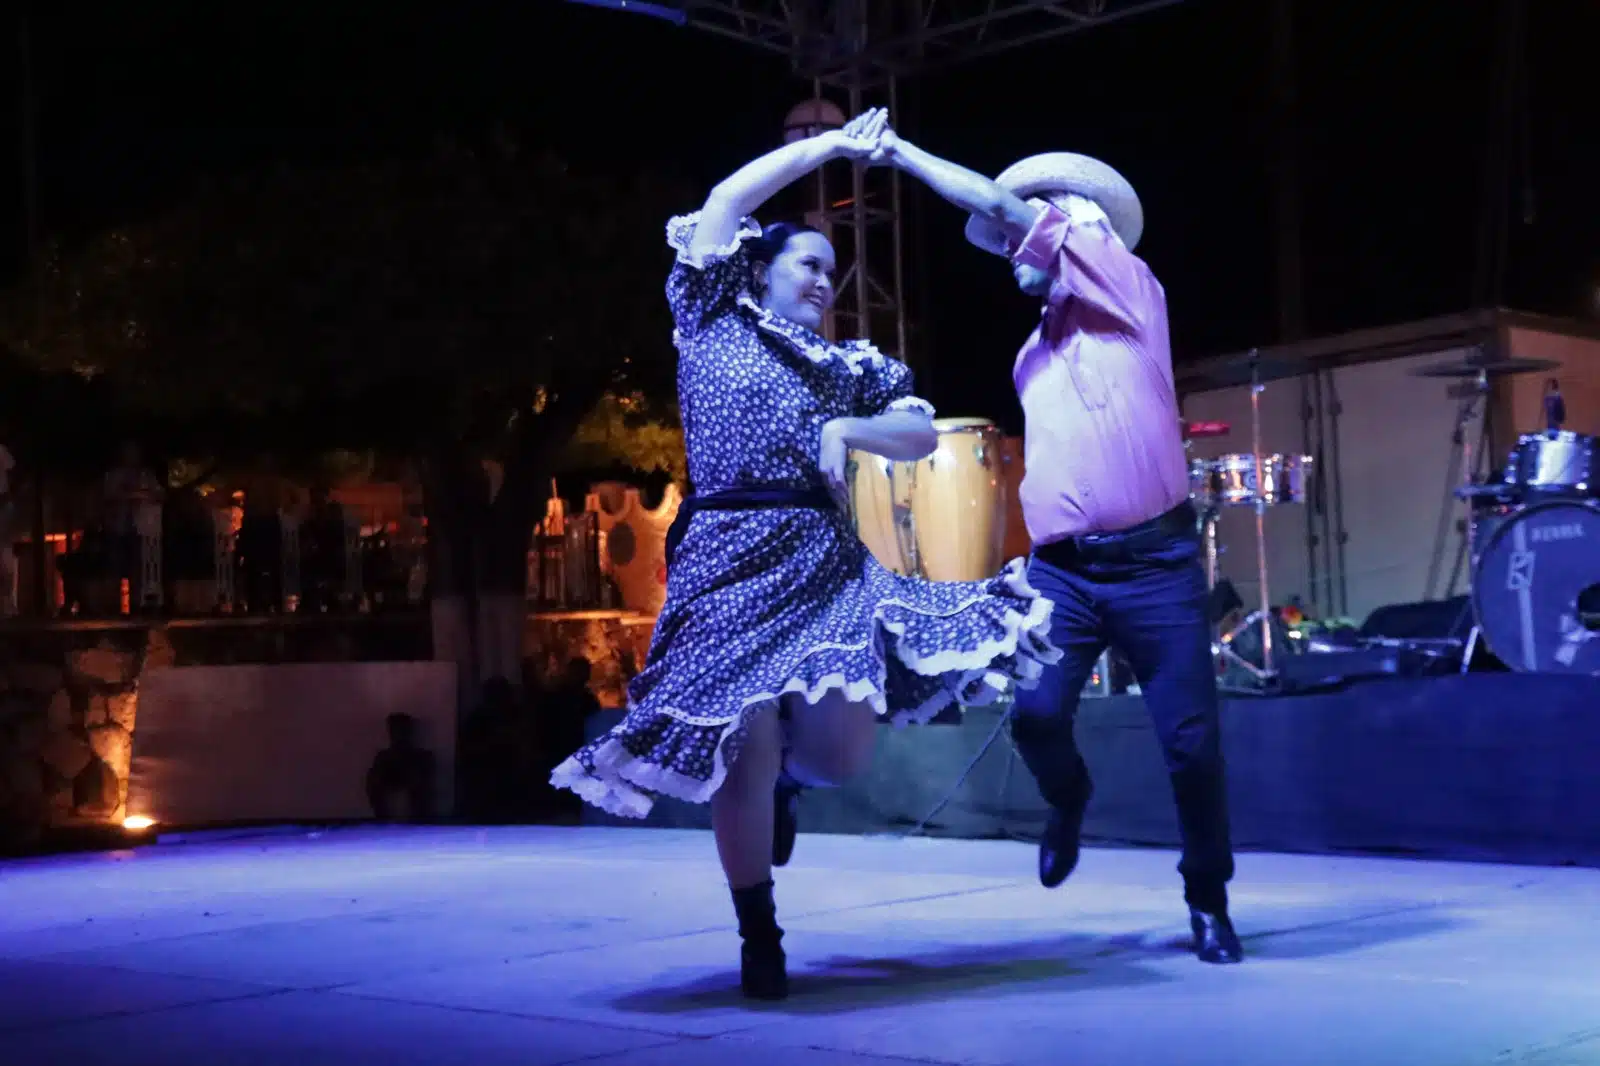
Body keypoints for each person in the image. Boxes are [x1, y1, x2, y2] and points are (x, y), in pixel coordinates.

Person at [551, 108, 1061, 1000]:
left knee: (838, 761)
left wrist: (847, 426)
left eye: (833, 270)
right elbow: (723, 198)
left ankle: (792, 778)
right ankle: (761, 935)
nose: (826, 281)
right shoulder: (713, 316)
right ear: (764, 268)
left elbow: (913, 434)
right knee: (736, 759)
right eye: (809, 264)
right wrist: (828, 147)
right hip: (726, 559)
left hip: (824, 560)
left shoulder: (848, 367)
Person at [878, 131, 1242, 964]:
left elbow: (1001, 205)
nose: (1011, 248)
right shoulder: (1029, 355)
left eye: (1026, 234)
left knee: (1191, 744)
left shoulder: (1129, 291)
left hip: (1155, 568)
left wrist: (903, 157)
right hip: (1064, 576)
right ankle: (1068, 796)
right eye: (1009, 242)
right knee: (1036, 715)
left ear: (1076, 230)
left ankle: (1208, 898)